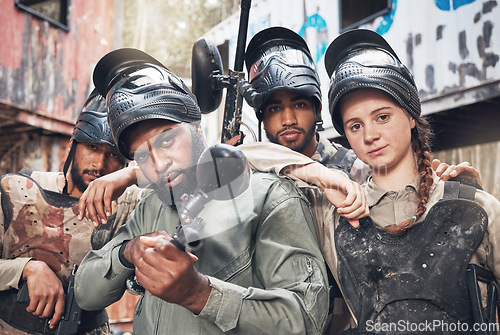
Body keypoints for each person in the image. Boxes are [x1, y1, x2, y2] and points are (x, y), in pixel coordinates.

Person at [239, 26, 485, 334]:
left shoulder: (358, 172)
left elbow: (405, 191)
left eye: (382, 117)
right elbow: (229, 158)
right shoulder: (275, 182)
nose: (370, 135)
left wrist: (454, 195)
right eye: (355, 126)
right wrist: (317, 173)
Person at [74, 48, 330, 335]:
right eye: (142, 156)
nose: (159, 165)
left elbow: (307, 320)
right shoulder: (151, 208)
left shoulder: (269, 197)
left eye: (167, 141)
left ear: (197, 130)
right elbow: (85, 293)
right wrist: (127, 253)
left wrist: (200, 295)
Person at [0, 89, 142, 335]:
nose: (99, 164)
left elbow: (188, 185)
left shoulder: (130, 205)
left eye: (113, 155)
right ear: (72, 146)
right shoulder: (13, 189)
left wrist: (134, 175)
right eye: (92, 147)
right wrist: (27, 268)